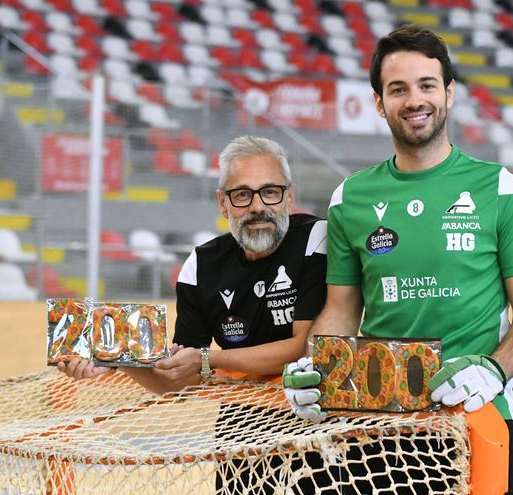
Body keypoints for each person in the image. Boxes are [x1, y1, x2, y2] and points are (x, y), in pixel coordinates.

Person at [283, 24, 513, 495]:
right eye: (398, 89)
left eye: (427, 85)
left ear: (449, 93)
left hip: (476, 420)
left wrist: (492, 371)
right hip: (379, 428)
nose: (414, 100)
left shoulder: (502, 190)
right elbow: (343, 309)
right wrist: (318, 364)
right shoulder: (350, 198)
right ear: (378, 102)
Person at [58, 135, 328, 492]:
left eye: (270, 192)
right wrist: (116, 359)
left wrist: (208, 359)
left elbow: (302, 348)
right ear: (223, 203)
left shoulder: (316, 239)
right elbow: (178, 378)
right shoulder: (201, 265)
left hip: (316, 420)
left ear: (289, 196)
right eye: (242, 195)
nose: (258, 206)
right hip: (242, 427)